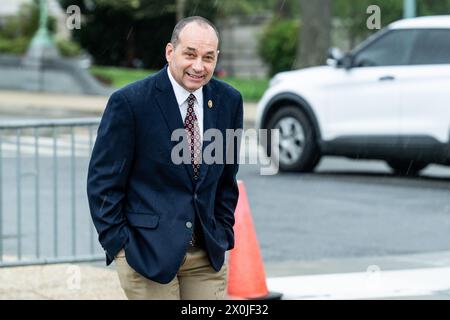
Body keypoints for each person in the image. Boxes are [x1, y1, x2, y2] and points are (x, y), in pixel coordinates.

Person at [87, 16, 243, 300]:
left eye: (208, 57)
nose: (199, 66)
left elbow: (226, 177)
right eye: (190, 54)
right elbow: (103, 183)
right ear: (170, 52)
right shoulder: (131, 102)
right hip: (147, 254)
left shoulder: (229, 101)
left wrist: (223, 232)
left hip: (207, 255)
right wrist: (119, 245)